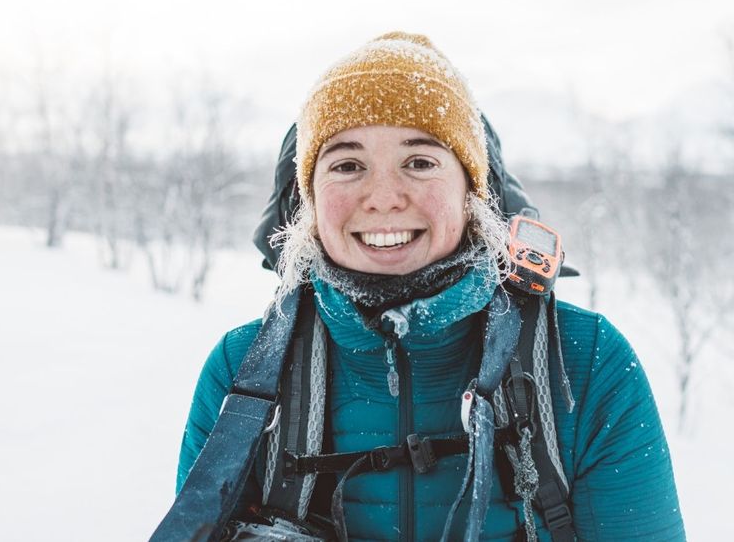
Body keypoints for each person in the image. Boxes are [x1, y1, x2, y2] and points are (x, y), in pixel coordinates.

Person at [171, 33, 685, 541]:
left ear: (473, 191)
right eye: (347, 165)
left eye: (419, 162)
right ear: (309, 200)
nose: (384, 197)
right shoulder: (242, 373)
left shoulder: (585, 365)